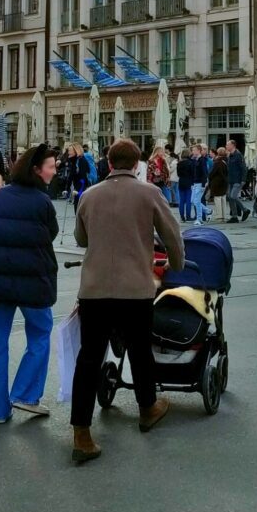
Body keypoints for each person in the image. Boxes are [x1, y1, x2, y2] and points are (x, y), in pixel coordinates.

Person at [71, 138, 185, 464]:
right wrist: (175, 264)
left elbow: (81, 238)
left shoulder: (89, 196)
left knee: (89, 358)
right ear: (137, 165)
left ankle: (81, 432)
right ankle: (147, 408)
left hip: (93, 290)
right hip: (135, 289)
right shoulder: (150, 193)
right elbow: (172, 236)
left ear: (108, 163)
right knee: (139, 350)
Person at [0, 144, 60, 424]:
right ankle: (24, 393)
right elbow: (52, 234)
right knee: (41, 333)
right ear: (37, 170)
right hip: (31, 282)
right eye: (51, 166)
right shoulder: (42, 201)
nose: (54, 170)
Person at [225, 140, 250, 223]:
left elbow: (243, 168)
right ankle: (234, 216)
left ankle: (245, 210)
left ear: (233, 145)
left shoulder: (238, 155)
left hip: (237, 179)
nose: (226, 146)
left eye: (228, 145)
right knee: (229, 197)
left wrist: (243, 179)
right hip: (231, 179)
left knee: (233, 196)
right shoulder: (230, 155)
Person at [189, 144, 212, 226]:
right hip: (195, 183)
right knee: (193, 201)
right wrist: (192, 183)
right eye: (192, 150)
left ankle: (199, 219)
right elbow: (193, 173)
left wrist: (203, 184)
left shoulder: (202, 160)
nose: (193, 151)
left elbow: (205, 172)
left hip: (200, 183)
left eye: (194, 150)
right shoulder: (195, 160)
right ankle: (208, 211)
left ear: (199, 151)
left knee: (197, 201)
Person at [209, 147, 230, 222]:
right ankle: (224, 215)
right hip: (224, 182)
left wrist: (209, 177)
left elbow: (213, 172)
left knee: (217, 199)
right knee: (223, 198)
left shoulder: (217, 162)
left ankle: (219, 216)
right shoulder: (226, 161)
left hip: (217, 182)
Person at [177, 149, 194, 221]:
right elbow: (193, 173)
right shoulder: (190, 163)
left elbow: (178, 174)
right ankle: (188, 216)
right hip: (189, 181)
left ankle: (182, 216)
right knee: (188, 200)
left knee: (181, 200)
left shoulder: (179, 163)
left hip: (181, 181)